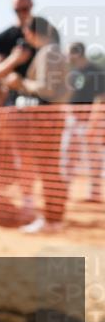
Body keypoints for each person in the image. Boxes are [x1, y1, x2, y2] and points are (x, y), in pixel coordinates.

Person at [3, 16, 69, 233]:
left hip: (46, 119)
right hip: (50, 118)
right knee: (49, 169)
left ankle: (52, 219)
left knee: (48, 169)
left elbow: (46, 89)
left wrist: (20, 83)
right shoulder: (53, 51)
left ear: (32, 32)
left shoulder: (48, 53)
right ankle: (52, 219)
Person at [62, 42, 105, 203]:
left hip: (91, 120)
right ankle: (63, 191)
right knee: (68, 155)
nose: (66, 58)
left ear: (77, 53)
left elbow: (101, 98)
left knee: (94, 158)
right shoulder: (71, 72)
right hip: (72, 119)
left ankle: (94, 193)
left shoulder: (96, 72)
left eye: (68, 54)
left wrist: (94, 122)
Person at [0, 0, 36, 105]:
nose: (21, 13)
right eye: (17, 10)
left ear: (31, 5)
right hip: (14, 100)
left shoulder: (46, 33)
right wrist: (14, 59)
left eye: (24, 9)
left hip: (40, 98)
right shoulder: (3, 37)